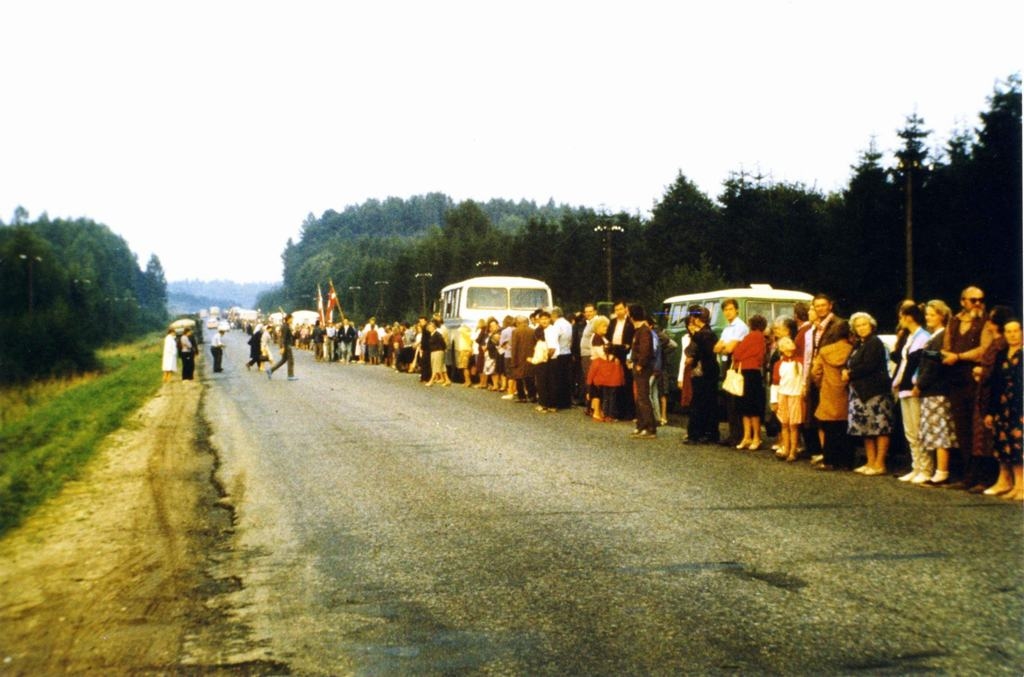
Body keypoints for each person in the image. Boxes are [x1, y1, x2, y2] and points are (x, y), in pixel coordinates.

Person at [939, 286, 993, 489]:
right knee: (962, 429)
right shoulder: (954, 322)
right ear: (963, 301)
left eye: (981, 299)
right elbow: (945, 346)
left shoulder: (985, 322)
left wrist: (959, 357)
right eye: (973, 300)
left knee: (978, 430)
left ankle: (983, 477)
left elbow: (984, 350)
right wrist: (948, 356)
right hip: (956, 380)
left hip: (975, 380)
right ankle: (968, 476)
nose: (978, 303)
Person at [844, 312, 895, 476]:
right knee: (866, 429)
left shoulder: (875, 342)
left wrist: (850, 374)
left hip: (875, 392)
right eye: (858, 326)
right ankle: (870, 462)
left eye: (864, 324)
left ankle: (880, 463)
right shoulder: (859, 344)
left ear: (871, 325)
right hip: (860, 392)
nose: (861, 328)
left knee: (879, 428)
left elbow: (869, 365)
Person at [914, 300, 958, 485]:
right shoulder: (934, 337)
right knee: (932, 430)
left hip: (937, 390)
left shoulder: (942, 336)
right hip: (930, 391)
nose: (928, 318)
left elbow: (933, 366)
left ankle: (942, 470)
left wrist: (920, 384)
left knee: (940, 431)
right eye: (927, 315)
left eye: (932, 315)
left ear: (942, 315)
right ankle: (937, 469)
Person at [892, 303, 932, 483]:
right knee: (910, 430)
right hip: (904, 387)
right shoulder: (910, 337)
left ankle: (926, 468)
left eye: (901, 316)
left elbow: (920, 363)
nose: (900, 320)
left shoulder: (923, 337)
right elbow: (904, 362)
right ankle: (916, 466)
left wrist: (916, 382)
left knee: (917, 429)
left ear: (908, 317)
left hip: (913, 387)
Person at [983, 319, 1023, 501]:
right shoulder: (1001, 354)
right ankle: (1006, 481)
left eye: (1016, 331)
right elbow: (994, 384)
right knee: (1002, 445)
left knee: (1018, 447)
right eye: (1008, 331)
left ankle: (1021, 485)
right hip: (1002, 406)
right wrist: (990, 411)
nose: (1012, 335)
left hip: (1019, 407)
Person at [811, 320, 854, 470]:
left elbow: (816, 372)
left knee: (829, 428)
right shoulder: (852, 349)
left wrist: (820, 384)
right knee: (845, 427)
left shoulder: (825, 351)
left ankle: (829, 460)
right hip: (847, 392)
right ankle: (847, 462)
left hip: (828, 391)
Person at [681, 305, 720, 444]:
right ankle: (704, 433)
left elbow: (699, 350)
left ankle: (697, 434)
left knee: (700, 403)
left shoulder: (705, 334)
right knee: (704, 403)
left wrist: (694, 335)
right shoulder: (705, 333)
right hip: (703, 371)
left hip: (705, 372)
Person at [714, 298, 749, 446]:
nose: (728, 312)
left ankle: (738, 435)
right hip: (725, 362)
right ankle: (732, 434)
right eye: (725, 310)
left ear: (737, 310)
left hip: (735, 363)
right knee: (728, 400)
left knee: (735, 401)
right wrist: (724, 346)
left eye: (730, 309)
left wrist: (724, 346)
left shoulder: (740, 326)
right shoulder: (727, 328)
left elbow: (730, 348)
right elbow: (716, 348)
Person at [731, 314, 767, 450]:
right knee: (749, 407)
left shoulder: (752, 336)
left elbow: (737, 353)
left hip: (748, 373)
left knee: (748, 407)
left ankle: (753, 437)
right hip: (753, 372)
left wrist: (738, 353)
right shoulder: (761, 337)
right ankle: (750, 437)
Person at [770, 337, 804, 462]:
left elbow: (804, 380)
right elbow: (775, 383)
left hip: (795, 395)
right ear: (781, 349)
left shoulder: (800, 362)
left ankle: (793, 450)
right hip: (782, 395)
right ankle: (786, 447)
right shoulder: (778, 364)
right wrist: (774, 400)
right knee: (784, 423)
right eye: (785, 345)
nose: (789, 347)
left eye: (790, 343)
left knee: (793, 425)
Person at [586, 315, 624, 422]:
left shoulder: (600, 337)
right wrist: (613, 358)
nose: (606, 329)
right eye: (604, 327)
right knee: (600, 389)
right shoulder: (597, 338)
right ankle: (599, 412)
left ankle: (599, 411)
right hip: (601, 365)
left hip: (603, 365)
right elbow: (602, 354)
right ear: (597, 327)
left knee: (601, 390)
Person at [629, 304, 658, 439]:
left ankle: (650, 427)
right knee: (639, 397)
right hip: (637, 365)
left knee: (643, 397)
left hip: (643, 368)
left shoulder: (644, 331)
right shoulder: (639, 330)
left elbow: (646, 350)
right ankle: (641, 425)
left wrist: (640, 364)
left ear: (632, 315)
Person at [607, 301, 636, 421]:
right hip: (614, 354)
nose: (618, 312)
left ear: (625, 309)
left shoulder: (630, 323)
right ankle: (617, 411)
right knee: (616, 384)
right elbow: (608, 339)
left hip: (626, 355)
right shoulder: (612, 322)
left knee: (628, 383)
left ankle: (630, 412)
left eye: (620, 309)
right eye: (616, 309)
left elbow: (629, 344)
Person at [509, 315, 538, 403]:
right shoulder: (533, 331)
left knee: (519, 378)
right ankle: (532, 396)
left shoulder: (515, 331)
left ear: (518, 322)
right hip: (530, 357)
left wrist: (513, 361)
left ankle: (522, 396)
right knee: (530, 377)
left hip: (519, 358)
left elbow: (514, 347)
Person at [266, 314, 296, 380]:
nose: (293, 320)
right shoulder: (285, 326)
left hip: (286, 345)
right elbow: (283, 338)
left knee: (283, 360)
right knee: (291, 361)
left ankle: (270, 370)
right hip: (287, 345)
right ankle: (290, 376)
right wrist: (282, 347)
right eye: (292, 318)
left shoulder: (286, 326)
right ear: (289, 319)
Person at [425, 320, 451, 386]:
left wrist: (443, 349)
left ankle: (431, 381)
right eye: (429, 327)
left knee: (435, 367)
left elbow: (443, 342)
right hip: (434, 351)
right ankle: (447, 380)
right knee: (441, 366)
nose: (429, 328)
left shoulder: (437, 334)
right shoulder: (432, 334)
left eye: (430, 327)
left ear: (434, 327)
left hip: (438, 351)